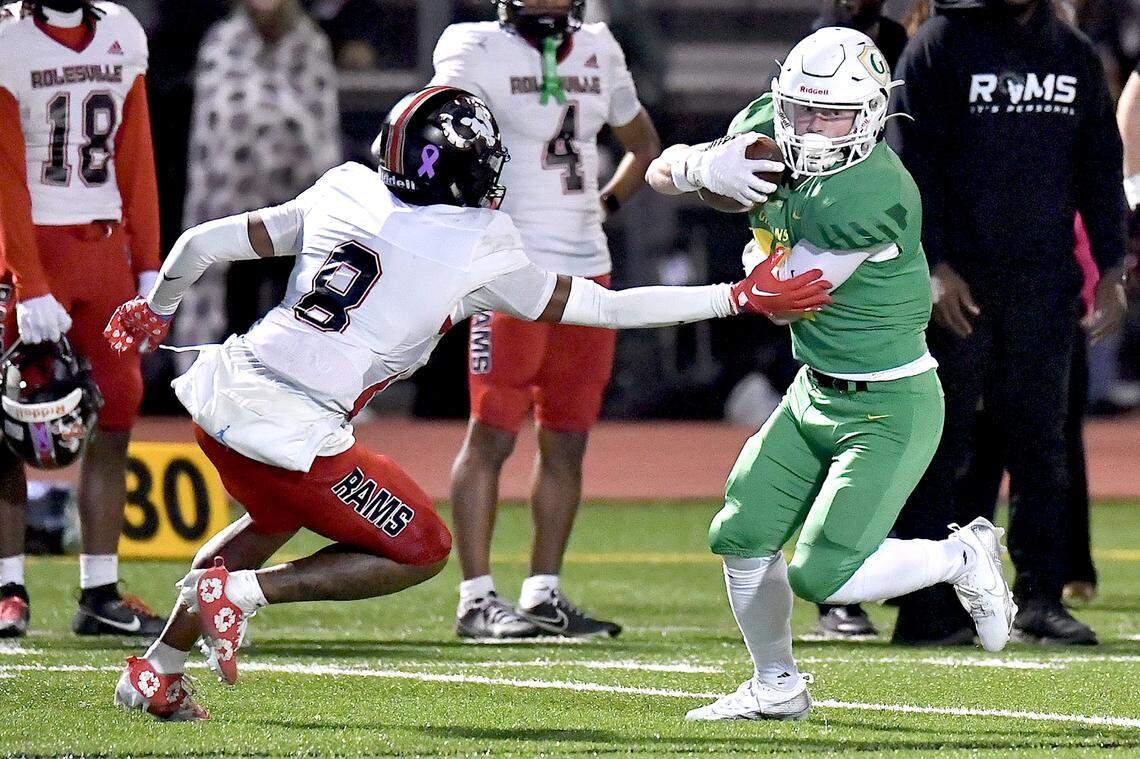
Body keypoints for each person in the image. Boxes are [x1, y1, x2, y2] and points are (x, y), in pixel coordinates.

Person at [104, 86, 832, 721]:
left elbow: (200, 243)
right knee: (422, 546)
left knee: (274, 516)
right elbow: (606, 309)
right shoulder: (481, 241)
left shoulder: (344, 188)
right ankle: (240, 594)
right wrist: (733, 296)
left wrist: (154, 307)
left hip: (224, 397)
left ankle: (158, 670)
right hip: (292, 426)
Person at [645, 27, 1015, 722]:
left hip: (889, 403)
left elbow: (783, 297)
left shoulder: (875, 190)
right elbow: (659, 174)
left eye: (831, 114)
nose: (810, 127)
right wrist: (699, 165)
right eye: (802, 110)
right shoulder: (768, 122)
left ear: (871, 115)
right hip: (814, 388)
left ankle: (961, 555)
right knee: (741, 529)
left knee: (825, 573)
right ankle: (777, 684)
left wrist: (729, 200)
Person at [887, 0, 1127, 647]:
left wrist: (1111, 264)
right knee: (944, 444)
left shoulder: (1072, 53)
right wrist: (932, 262)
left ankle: (1041, 597)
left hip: (1045, 280)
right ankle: (928, 608)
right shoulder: (937, 45)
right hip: (958, 281)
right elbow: (906, 165)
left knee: (1041, 444)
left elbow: (1101, 164)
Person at [431, 0, 662, 639]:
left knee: (568, 437)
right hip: (510, 272)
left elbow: (643, 145)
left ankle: (543, 593)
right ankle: (476, 598)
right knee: (493, 432)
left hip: (589, 270)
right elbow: (431, 138)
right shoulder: (472, 46)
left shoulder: (600, 46)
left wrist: (605, 203)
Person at [0, 0, 165, 638]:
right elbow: (7, 172)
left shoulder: (122, 31)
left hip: (101, 249)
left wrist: (150, 264)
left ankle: (100, 590)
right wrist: (28, 279)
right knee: (9, 416)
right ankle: (8, 585)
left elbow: (137, 157)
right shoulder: (11, 39)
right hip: (29, 243)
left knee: (119, 407)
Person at [176, 0, 340, 355]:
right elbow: (226, 114)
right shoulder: (223, 41)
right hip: (231, 196)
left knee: (299, 288)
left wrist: (274, 117)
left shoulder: (311, 44)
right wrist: (282, 114)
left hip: (297, 192)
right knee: (237, 299)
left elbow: (319, 124)